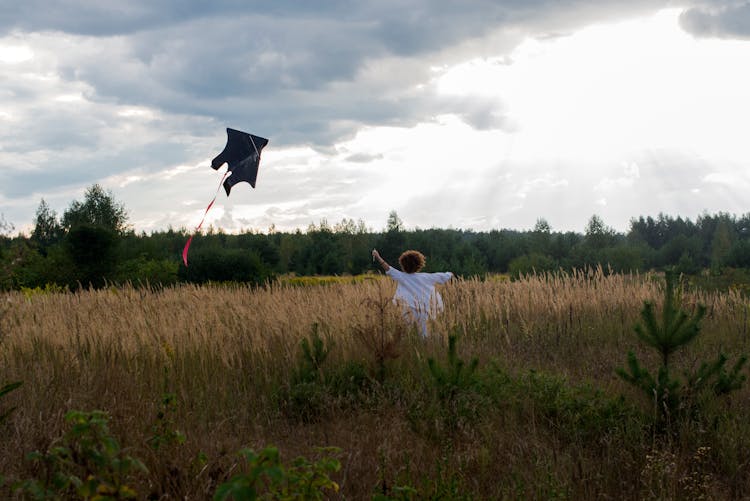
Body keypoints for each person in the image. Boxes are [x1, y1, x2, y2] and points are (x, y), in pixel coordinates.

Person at [372, 248, 453, 337]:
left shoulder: (401, 276)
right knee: (423, 334)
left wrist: (378, 256)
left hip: (407, 309)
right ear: (419, 264)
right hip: (423, 309)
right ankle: (425, 346)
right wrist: (450, 274)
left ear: (403, 264)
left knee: (406, 333)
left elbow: (388, 268)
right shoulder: (426, 277)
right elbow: (443, 276)